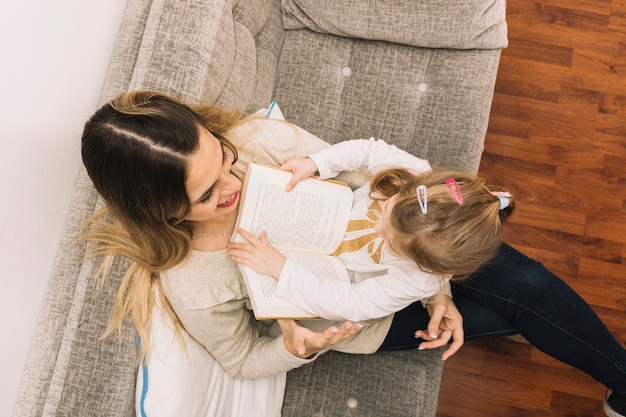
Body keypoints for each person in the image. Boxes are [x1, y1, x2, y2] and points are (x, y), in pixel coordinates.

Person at [81, 90, 626, 417]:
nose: (234, 180)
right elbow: (243, 361)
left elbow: (377, 177)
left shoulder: (258, 142)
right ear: (160, 211)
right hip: (368, 317)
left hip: (416, 251)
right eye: (207, 194)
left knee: (528, 290)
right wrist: (298, 347)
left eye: (222, 157)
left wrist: (438, 284)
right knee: (509, 314)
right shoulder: (193, 282)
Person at [227, 140, 515, 324]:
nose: (377, 229)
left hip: (336, 271)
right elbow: (368, 151)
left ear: (427, 266)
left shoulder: (421, 279)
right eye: (385, 210)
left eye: (389, 243)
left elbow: (354, 305)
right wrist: (317, 163)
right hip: (324, 214)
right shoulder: (415, 173)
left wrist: (281, 269)